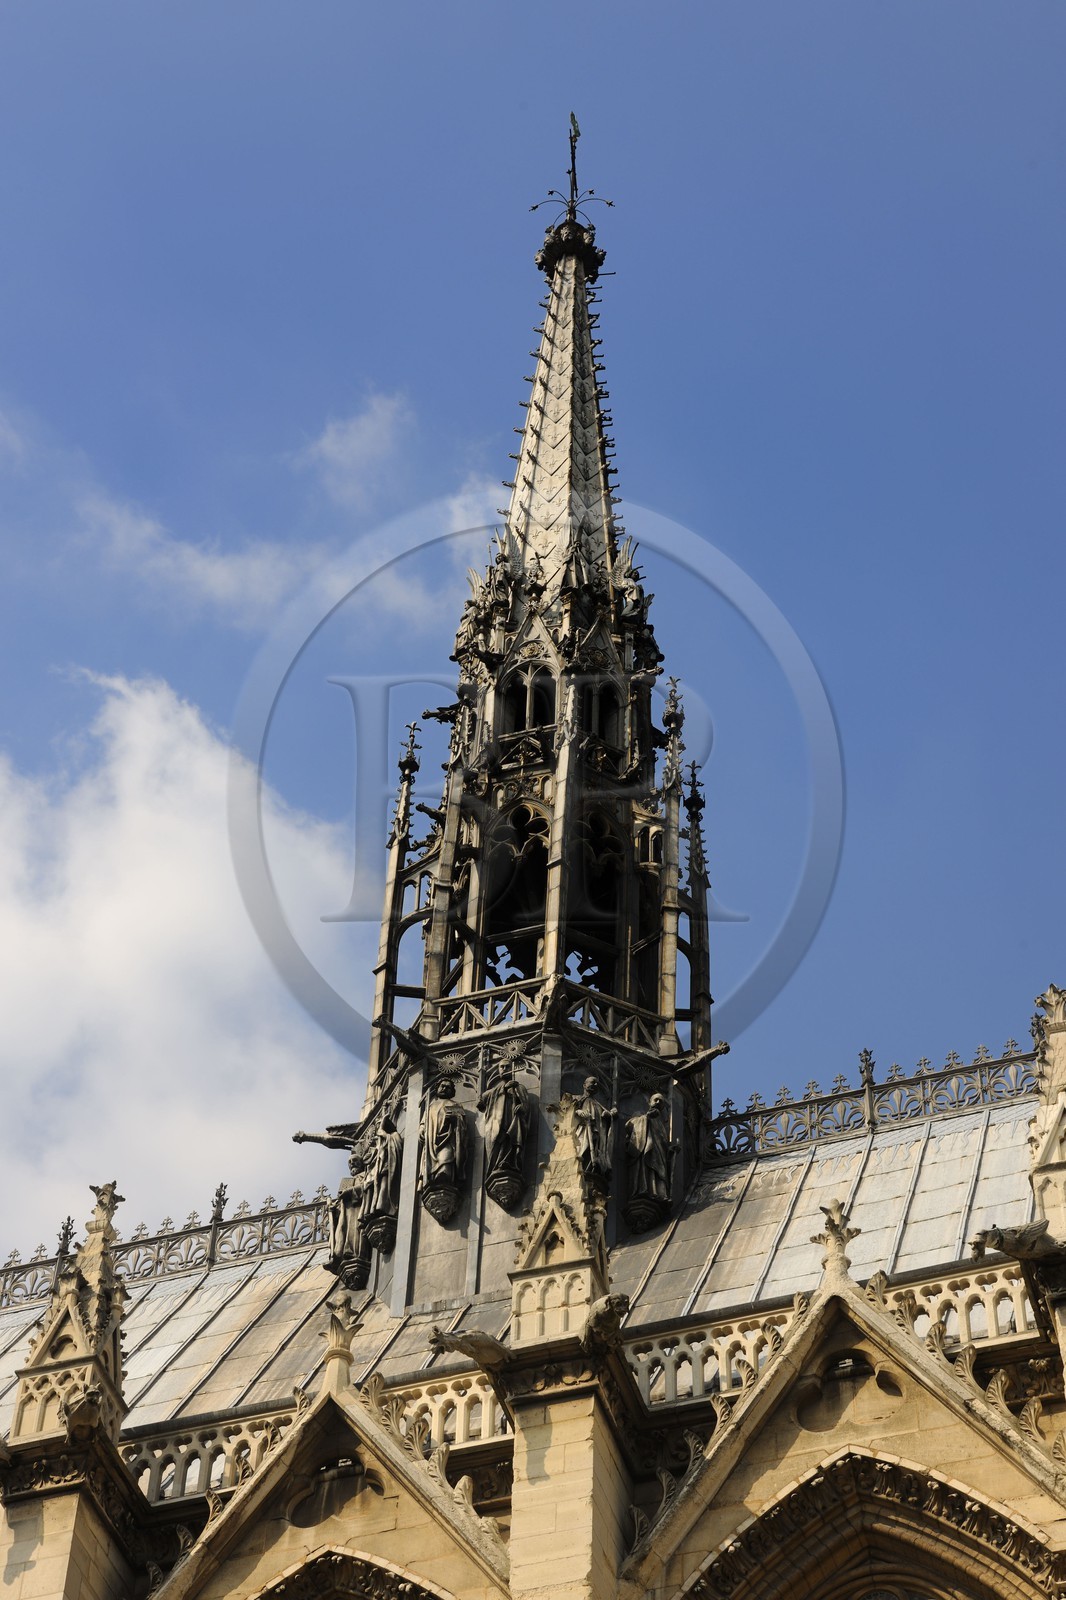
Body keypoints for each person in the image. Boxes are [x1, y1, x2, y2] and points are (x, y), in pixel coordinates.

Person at [421, 1078, 468, 1190]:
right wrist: (421, 1129)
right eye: (442, 1086)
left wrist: (454, 1119)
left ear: (452, 1092)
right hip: (432, 1141)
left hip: (448, 1139)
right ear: (437, 1088)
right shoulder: (430, 1106)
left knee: (446, 1158)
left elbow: (462, 1124)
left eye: (448, 1087)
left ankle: (444, 1176)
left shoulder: (455, 1104)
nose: (444, 1088)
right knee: (431, 1161)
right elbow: (424, 1122)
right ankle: (433, 1177)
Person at [573, 1076, 615, 1191]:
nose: (595, 1085)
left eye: (597, 1084)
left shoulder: (598, 1104)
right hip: (583, 1130)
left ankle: (591, 1170)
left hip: (596, 1134)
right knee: (582, 1149)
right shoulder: (577, 1098)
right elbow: (566, 1110)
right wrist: (578, 1111)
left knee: (594, 1151)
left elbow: (604, 1122)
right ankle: (580, 1169)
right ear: (584, 1085)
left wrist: (609, 1116)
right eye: (592, 1082)